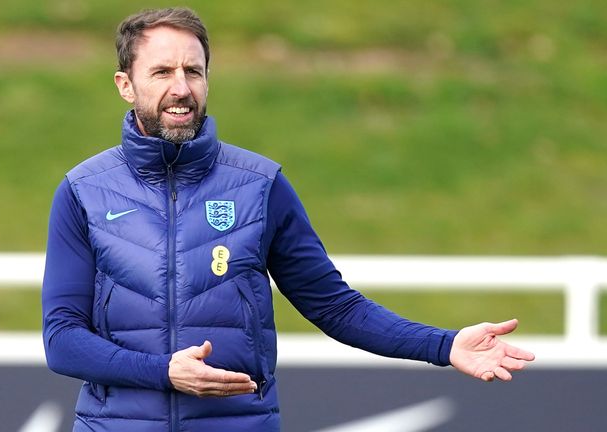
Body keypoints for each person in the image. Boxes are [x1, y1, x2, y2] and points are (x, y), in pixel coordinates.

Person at [42, 7, 535, 432]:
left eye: (194, 71)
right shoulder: (83, 191)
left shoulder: (260, 185)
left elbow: (336, 307)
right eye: (162, 72)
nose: (182, 88)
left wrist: (444, 345)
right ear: (125, 85)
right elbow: (63, 340)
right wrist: (165, 372)